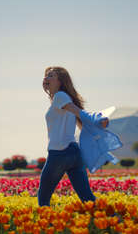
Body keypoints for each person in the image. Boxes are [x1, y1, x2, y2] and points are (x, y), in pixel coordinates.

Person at [38, 66, 108, 206]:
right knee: (87, 198)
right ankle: (115, 221)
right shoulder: (64, 99)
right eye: (46, 75)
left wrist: (94, 119)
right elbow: (81, 122)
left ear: (60, 81)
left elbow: (78, 112)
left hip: (59, 153)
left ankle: (47, 227)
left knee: (43, 198)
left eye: (51, 75)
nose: (46, 78)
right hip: (75, 154)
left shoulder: (60, 96)